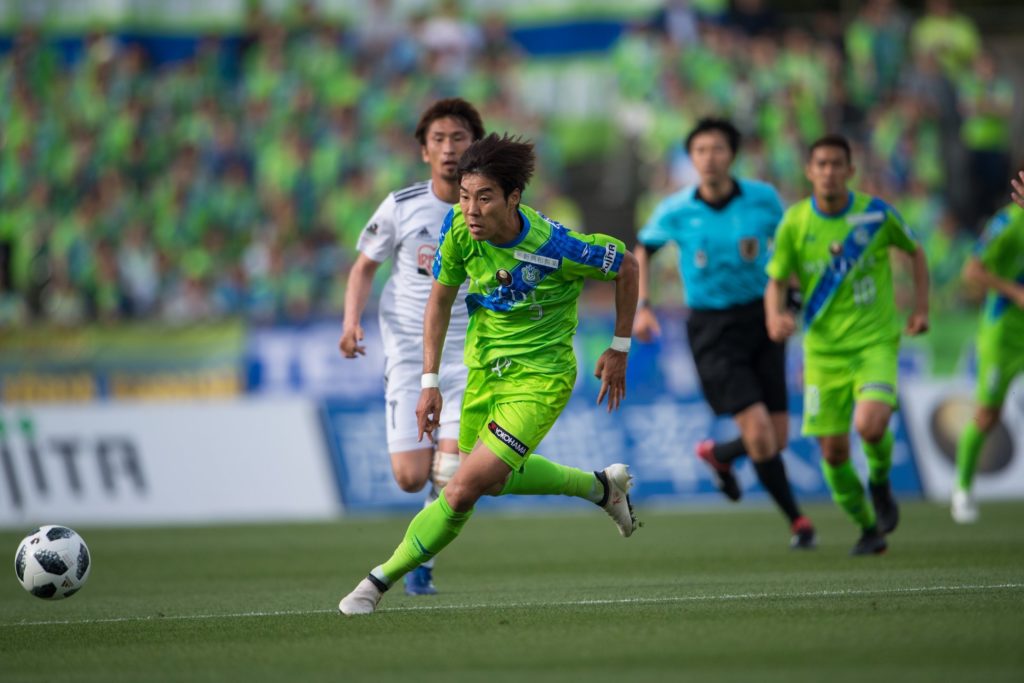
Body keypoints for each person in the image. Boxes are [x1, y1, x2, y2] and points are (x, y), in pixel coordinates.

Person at [339, 133, 641, 615]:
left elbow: (626, 265)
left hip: (539, 380)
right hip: (482, 371)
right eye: (464, 197)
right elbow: (438, 301)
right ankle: (601, 487)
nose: (471, 209)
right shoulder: (458, 230)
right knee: (492, 481)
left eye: (483, 198)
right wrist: (430, 382)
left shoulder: (557, 245)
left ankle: (375, 583)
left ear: (512, 198)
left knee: (459, 490)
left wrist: (619, 347)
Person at [634, 117, 816, 550]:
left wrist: (790, 304)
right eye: (699, 150)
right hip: (712, 327)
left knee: (777, 437)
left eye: (717, 149)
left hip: (763, 319)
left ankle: (719, 454)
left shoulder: (763, 200)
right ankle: (799, 522)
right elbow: (643, 248)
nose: (708, 158)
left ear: (732, 155)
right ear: (691, 158)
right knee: (759, 434)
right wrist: (643, 307)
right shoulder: (676, 209)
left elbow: (790, 250)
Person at [338, 98, 485, 596]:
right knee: (409, 476)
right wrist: (351, 321)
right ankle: (426, 522)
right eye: (438, 140)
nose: (448, 149)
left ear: (474, 146)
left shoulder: (491, 208)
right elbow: (363, 267)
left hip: (469, 356)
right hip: (408, 352)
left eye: (458, 138)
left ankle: (422, 557)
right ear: (424, 151)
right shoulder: (402, 205)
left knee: (452, 472)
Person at [765, 134, 930, 555]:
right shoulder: (796, 222)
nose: (829, 171)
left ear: (850, 171)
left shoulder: (875, 214)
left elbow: (916, 252)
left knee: (869, 425)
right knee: (834, 454)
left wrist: (921, 308)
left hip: (874, 342)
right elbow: (777, 279)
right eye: (821, 164)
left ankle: (879, 478)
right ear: (809, 171)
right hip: (821, 353)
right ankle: (868, 527)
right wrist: (774, 316)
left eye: (837, 164)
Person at [952, 200, 1024, 523]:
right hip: (1004, 335)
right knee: (986, 416)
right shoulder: (1007, 223)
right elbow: (972, 270)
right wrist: (1015, 291)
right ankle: (963, 489)